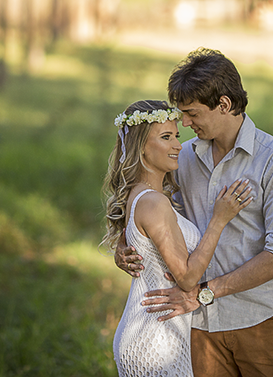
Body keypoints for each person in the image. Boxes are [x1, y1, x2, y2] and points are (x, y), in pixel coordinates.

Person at [116, 49, 273, 377]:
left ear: (224, 104)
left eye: (191, 113)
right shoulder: (183, 157)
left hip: (260, 321)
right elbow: (149, 207)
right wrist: (126, 244)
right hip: (198, 328)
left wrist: (206, 292)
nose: (185, 123)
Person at [103, 99, 254, 377]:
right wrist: (219, 220)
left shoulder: (143, 194)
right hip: (155, 339)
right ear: (141, 149)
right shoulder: (153, 203)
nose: (177, 145)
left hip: (158, 330)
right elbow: (185, 278)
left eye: (176, 136)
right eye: (165, 137)